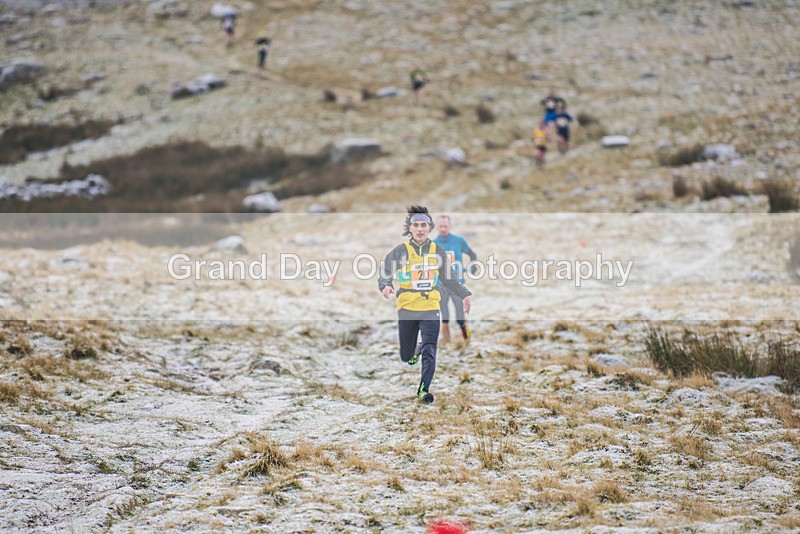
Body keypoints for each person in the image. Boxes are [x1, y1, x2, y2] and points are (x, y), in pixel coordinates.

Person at [379, 206, 472, 404]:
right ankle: (416, 348)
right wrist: (385, 285)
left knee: (431, 348)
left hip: (431, 305)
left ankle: (424, 390)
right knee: (407, 356)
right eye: (416, 225)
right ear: (410, 228)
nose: (420, 229)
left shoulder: (437, 251)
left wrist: (464, 294)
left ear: (429, 228)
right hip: (407, 307)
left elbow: (449, 279)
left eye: (423, 225)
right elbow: (385, 271)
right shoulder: (401, 251)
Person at [433, 215, 477, 344]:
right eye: (440, 226)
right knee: (444, 317)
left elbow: (472, 254)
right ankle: (447, 345)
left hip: (457, 284)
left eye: (445, 226)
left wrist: (473, 266)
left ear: (450, 226)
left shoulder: (459, 241)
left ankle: (467, 339)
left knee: (460, 318)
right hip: (440, 286)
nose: (443, 229)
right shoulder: (433, 245)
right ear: (436, 227)